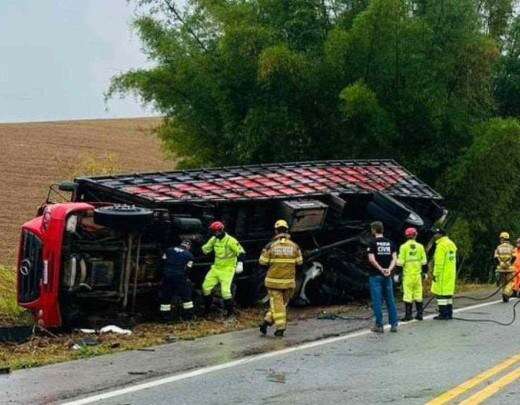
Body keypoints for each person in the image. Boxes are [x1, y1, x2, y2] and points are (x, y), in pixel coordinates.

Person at [258, 220, 303, 338]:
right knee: (280, 305)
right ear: (287, 230)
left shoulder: (270, 246)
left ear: (276, 231)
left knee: (277, 305)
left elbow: (262, 262)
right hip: (289, 283)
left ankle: (280, 328)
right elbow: (300, 262)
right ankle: (266, 322)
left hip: (273, 282)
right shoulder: (295, 246)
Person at [201, 221, 245, 317]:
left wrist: (240, 264)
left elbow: (241, 252)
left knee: (225, 292)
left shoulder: (231, 241)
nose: (213, 234)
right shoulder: (214, 239)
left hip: (227, 269)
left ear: (220, 231)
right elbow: (206, 249)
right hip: (216, 268)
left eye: (214, 232)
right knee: (205, 287)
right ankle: (207, 311)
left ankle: (230, 313)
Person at [367, 221, 399, 333]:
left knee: (377, 301)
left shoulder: (372, 243)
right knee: (390, 300)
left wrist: (380, 269)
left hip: (375, 276)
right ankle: (394, 324)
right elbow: (395, 259)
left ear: (374, 230)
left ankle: (379, 325)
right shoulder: (391, 243)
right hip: (387, 276)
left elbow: (371, 259)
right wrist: (389, 269)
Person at [159, 239, 195, 321]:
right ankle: (188, 317)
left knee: (166, 297)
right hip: (180, 278)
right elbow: (188, 269)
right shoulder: (190, 255)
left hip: (167, 277)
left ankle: (165, 318)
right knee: (186, 298)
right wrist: (186, 278)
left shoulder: (169, 250)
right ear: (189, 246)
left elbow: (162, 262)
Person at [397, 227, 428, 321]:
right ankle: (419, 315)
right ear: (416, 235)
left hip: (408, 275)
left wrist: (397, 274)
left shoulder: (403, 247)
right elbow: (424, 262)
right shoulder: (420, 246)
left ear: (406, 236)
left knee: (407, 294)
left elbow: (400, 262)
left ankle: (408, 316)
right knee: (418, 294)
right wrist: (425, 272)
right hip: (418, 275)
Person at [431, 229, 457, 320]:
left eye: (436, 234)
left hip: (442, 273)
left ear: (441, 235)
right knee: (448, 294)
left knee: (441, 294)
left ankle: (443, 314)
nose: (434, 236)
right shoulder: (451, 243)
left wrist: (435, 274)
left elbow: (439, 262)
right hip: (451, 272)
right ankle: (449, 313)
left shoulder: (441, 245)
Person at [494, 232, 516, 303]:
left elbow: (495, 258)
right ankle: (506, 293)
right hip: (509, 269)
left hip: (501, 269)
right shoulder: (511, 247)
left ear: (502, 239)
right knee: (511, 282)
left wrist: (500, 264)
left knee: (503, 282)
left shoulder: (498, 247)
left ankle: (505, 297)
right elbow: (514, 257)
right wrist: (509, 263)